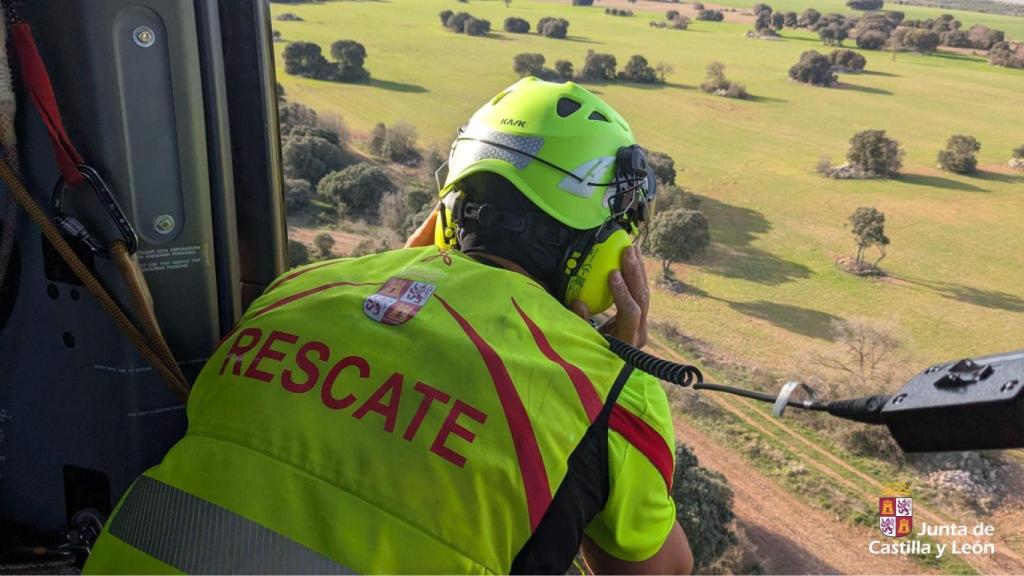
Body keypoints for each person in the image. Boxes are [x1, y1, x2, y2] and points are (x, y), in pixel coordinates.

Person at [84, 77, 693, 574]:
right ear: (610, 255)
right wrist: (610, 375)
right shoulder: (607, 388)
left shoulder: (296, 291)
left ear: (446, 210)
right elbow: (657, 572)